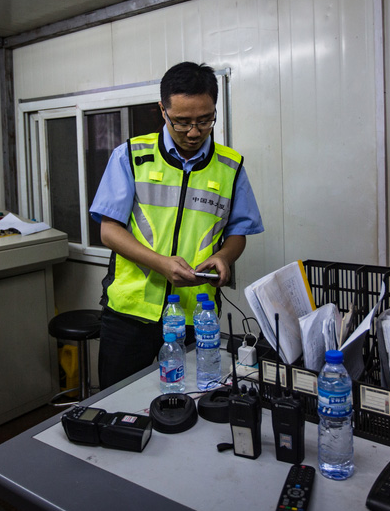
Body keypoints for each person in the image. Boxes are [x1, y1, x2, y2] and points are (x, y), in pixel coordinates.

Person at [89, 62, 264, 389]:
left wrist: (225, 258)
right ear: (163, 110)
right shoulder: (130, 155)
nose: (194, 132)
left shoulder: (231, 166)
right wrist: (160, 264)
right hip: (130, 312)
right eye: (182, 122)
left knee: (191, 402)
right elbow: (109, 231)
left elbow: (238, 233)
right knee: (117, 403)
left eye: (204, 120)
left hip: (197, 314)